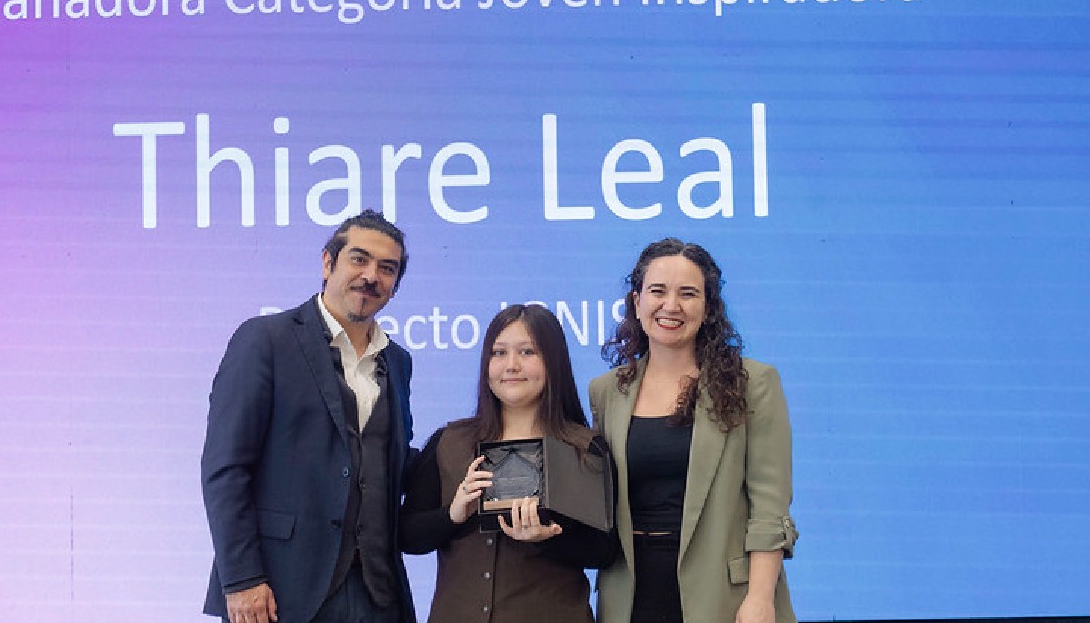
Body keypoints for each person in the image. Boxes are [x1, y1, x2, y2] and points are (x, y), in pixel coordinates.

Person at [201, 209, 417, 623]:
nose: (371, 276)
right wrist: (242, 578)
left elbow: (390, 462)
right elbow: (225, 468)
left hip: (377, 593)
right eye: (359, 259)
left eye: (387, 268)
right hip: (281, 591)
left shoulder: (397, 361)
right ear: (327, 263)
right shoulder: (266, 340)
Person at [589, 238, 797, 623]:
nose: (671, 306)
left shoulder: (752, 383)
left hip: (724, 596)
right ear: (637, 302)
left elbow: (769, 505)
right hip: (629, 595)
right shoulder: (606, 391)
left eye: (688, 293)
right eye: (657, 291)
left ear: (708, 307)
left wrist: (760, 598)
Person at [400, 304, 618, 623]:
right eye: (499, 353)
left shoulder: (583, 447)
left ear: (553, 361)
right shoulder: (448, 441)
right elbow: (407, 536)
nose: (511, 365)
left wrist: (547, 538)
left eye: (528, 352)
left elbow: (604, 550)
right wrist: (453, 515)